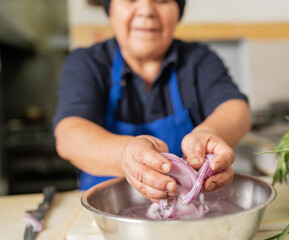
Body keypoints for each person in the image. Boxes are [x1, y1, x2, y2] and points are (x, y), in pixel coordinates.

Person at [53, 0, 251, 203]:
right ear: (109, 8)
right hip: (103, 212)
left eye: (162, 0)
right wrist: (126, 156)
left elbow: (235, 108)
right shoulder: (87, 63)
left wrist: (210, 133)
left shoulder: (200, 60)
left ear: (178, 11)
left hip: (192, 214)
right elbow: (70, 134)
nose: (146, 11)